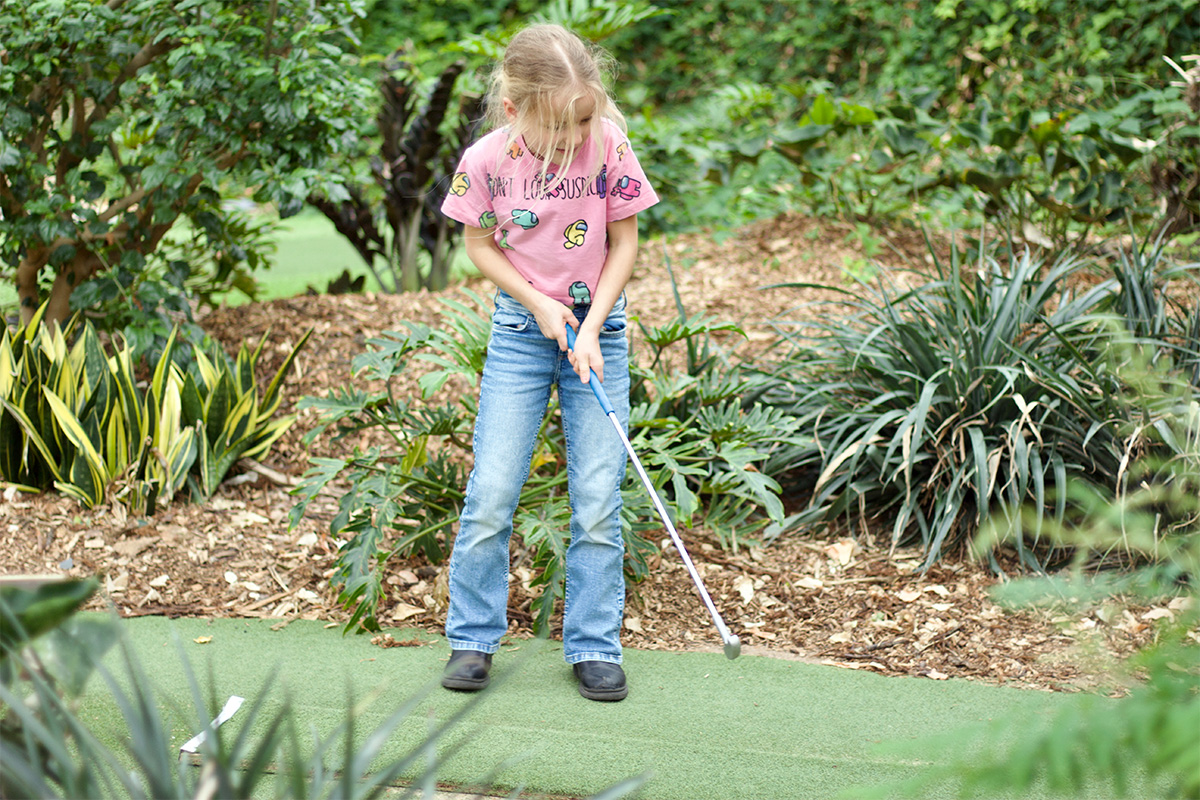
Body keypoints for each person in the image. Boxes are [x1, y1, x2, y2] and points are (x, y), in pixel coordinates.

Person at [438, 22, 658, 702]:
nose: (573, 141)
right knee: (493, 490)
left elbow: (625, 243)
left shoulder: (607, 143)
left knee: (596, 498)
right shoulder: (484, 160)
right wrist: (536, 303)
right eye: (559, 129)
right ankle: (472, 639)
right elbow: (480, 247)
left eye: (583, 121)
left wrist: (592, 326)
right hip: (520, 333)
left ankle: (593, 645)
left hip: (600, 333)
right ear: (514, 110)